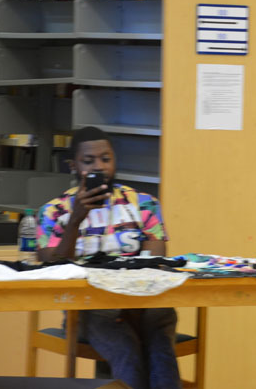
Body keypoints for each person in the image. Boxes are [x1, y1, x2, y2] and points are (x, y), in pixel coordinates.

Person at [36, 126, 181, 389]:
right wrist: (76, 219)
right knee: (127, 349)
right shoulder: (53, 211)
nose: (100, 167)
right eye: (88, 161)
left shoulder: (144, 203)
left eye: (106, 158)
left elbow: (155, 261)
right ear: (73, 165)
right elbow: (52, 266)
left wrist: (129, 307)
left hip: (143, 304)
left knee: (159, 338)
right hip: (88, 309)